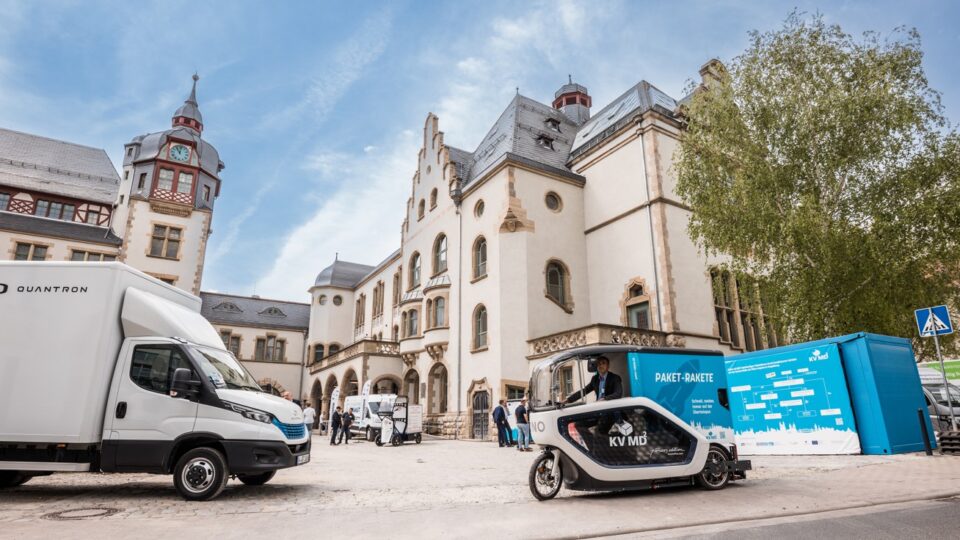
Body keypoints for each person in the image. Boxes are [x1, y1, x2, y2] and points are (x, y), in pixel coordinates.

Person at [564, 355, 629, 434]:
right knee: (579, 425)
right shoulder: (595, 379)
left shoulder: (615, 378)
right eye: (598, 364)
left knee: (600, 431)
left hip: (610, 411)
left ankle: (600, 439)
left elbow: (618, 393)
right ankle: (590, 441)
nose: (601, 365)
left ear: (608, 366)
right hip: (598, 410)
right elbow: (584, 391)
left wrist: (604, 399)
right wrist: (568, 400)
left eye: (603, 363)